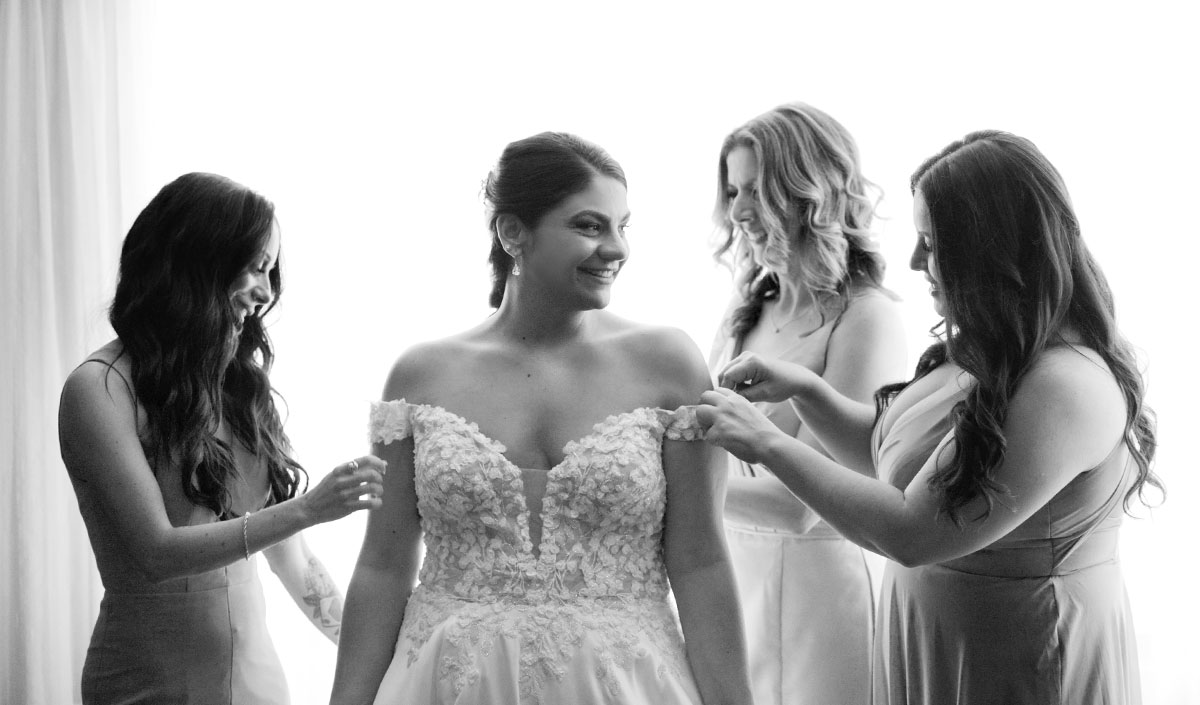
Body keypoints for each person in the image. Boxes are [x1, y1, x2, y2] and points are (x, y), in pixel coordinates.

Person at [698, 130, 1159, 705]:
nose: (916, 261)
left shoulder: (1064, 385)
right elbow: (888, 457)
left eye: (932, 244)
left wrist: (766, 442)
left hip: (1020, 660)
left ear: (991, 248)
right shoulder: (990, 350)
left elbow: (912, 531)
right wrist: (805, 390)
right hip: (940, 645)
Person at [330, 132, 753, 705]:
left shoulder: (668, 363)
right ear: (513, 233)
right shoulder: (421, 375)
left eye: (623, 226)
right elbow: (383, 567)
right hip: (448, 683)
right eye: (589, 226)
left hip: (624, 683)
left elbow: (700, 561)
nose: (617, 248)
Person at [58, 172, 387, 705]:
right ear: (198, 260)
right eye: (256, 266)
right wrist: (310, 508)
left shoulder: (241, 390)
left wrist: (379, 657)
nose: (266, 291)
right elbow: (156, 551)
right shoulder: (99, 388)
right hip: (147, 685)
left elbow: (294, 562)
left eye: (271, 271)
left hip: (257, 685)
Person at [708, 102, 906, 705]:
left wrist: (669, 488)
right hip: (734, 577)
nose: (738, 211)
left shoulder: (865, 318)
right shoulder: (748, 310)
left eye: (757, 191)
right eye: (733, 191)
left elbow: (803, 509)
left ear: (809, 194)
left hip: (816, 595)